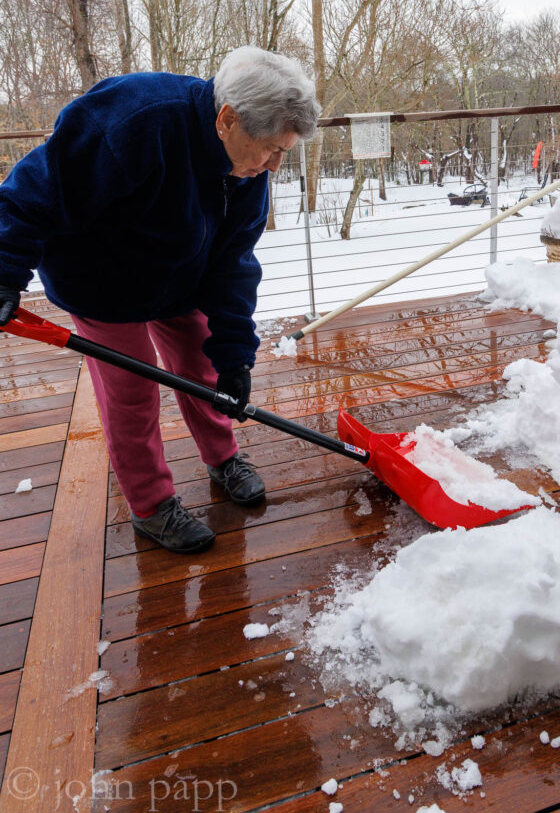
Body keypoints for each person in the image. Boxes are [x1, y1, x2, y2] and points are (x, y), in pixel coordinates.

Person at [0, 46, 321, 554]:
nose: (276, 166)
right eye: (271, 149)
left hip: (178, 276)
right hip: (101, 278)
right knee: (132, 392)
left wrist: (236, 353)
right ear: (227, 119)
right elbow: (30, 194)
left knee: (204, 367)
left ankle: (222, 457)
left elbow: (232, 264)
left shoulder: (246, 173)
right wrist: (5, 272)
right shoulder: (133, 119)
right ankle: (151, 506)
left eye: (285, 152)